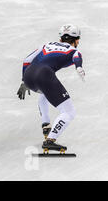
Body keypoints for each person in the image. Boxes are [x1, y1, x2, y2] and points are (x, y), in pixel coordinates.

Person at [17, 24, 85, 152]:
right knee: (69, 112)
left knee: (44, 93)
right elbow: (77, 58)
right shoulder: (74, 50)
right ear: (76, 40)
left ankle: (46, 125)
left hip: (29, 75)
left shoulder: (47, 45)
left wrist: (24, 81)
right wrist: (79, 67)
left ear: (60, 39)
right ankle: (50, 140)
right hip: (44, 75)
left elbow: (26, 60)